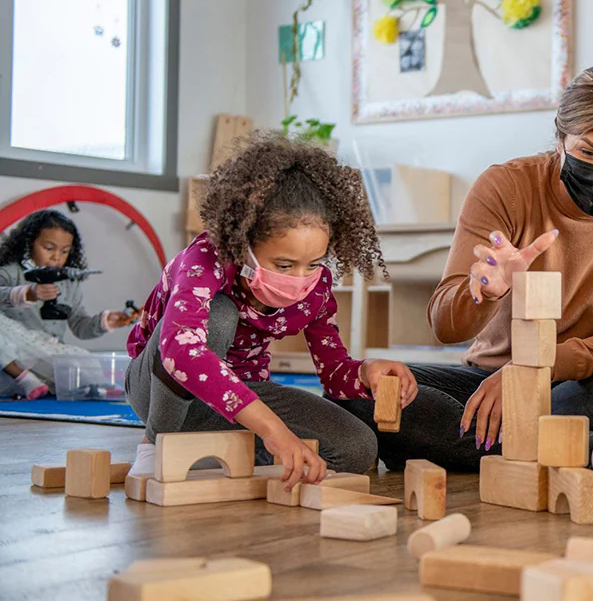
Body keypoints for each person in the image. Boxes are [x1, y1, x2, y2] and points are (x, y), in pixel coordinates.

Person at [336, 61, 593, 471]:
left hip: (585, 383)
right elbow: (446, 327)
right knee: (361, 393)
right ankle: (571, 447)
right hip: (489, 378)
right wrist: (485, 293)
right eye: (589, 152)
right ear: (560, 139)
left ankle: (504, 445)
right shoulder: (505, 185)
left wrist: (531, 371)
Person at [125, 134, 415, 490]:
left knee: (357, 448)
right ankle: (156, 443)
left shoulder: (317, 288)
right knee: (220, 315)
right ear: (243, 243)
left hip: (243, 396)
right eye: (284, 264)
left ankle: (228, 451)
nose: (300, 278)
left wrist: (367, 372)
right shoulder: (205, 258)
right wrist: (273, 429)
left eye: (313, 264)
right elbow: (180, 352)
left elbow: (334, 372)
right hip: (159, 391)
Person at [0, 210, 136, 399]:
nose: (57, 257)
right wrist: (25, 293)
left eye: (64, 251)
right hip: (10, 358)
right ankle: (24, 378)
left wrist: (105, 321)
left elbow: (80, 327)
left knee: (85, 363)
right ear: (29, 244)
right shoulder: (10, 274)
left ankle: (83, 387)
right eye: (49, 248)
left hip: (46, 354)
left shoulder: (68, 284)